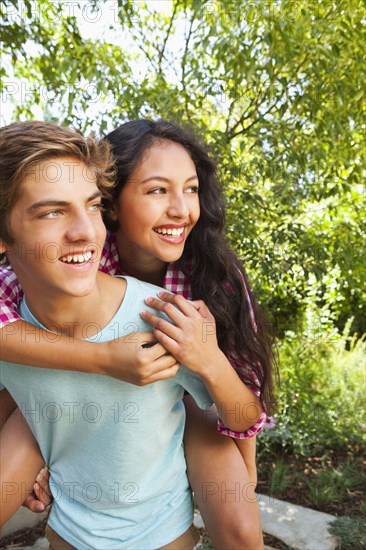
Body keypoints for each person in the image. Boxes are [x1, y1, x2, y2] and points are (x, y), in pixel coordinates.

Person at [0, 119, 276, 548]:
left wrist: (245, 467)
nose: (181, 209)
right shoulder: (83, 255)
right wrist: (103, 362)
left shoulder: (213, 273)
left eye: (191, 189)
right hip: (77, 384)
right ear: (113, 203)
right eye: (156, 190)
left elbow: (244, 389)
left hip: (195, 395)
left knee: (239, 524)